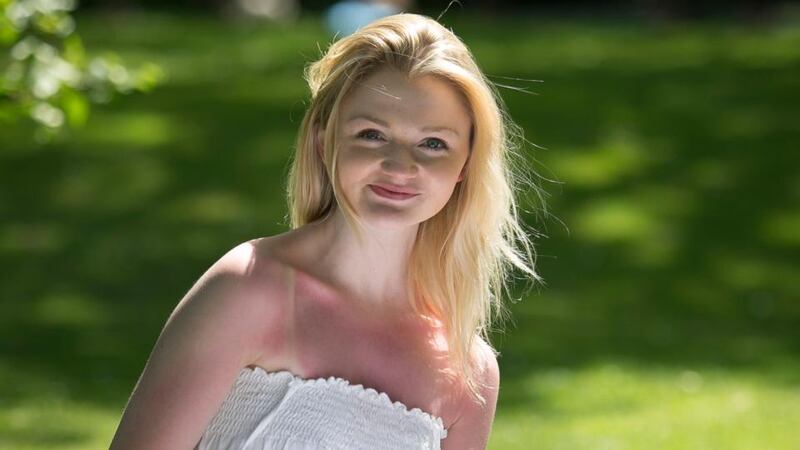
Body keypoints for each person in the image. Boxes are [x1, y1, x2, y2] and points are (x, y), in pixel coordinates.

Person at [110, 12, 543, 450]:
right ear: (324, 141)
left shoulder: (468, 371)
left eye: (433, 144)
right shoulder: (249, 287)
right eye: (372, 134)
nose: (400, 166)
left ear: (465, 166)